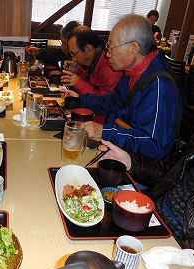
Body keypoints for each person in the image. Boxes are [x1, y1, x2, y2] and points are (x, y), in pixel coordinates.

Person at [97, 59, 194, 269]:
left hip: (186, 257)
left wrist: (181, 253)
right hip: (154, 222)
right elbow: (178, 172)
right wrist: (130, 161)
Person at [63, 15, 184, 160]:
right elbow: (114, 102)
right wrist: (80, 100)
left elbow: (154, 145)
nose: (107, 54)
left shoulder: (160, 85)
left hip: (142, 168)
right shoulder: (133, 71)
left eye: (111, 47)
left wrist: (104, 131)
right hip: (121, 151)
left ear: (133, 48)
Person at [61, 26, 124, 123]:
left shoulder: (110, 66)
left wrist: (78, 83)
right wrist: (78, 70)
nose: (73, 59)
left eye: (74, 54)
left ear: (88, 49)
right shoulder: (98, 55)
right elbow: (94, 81)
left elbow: (104, 103)